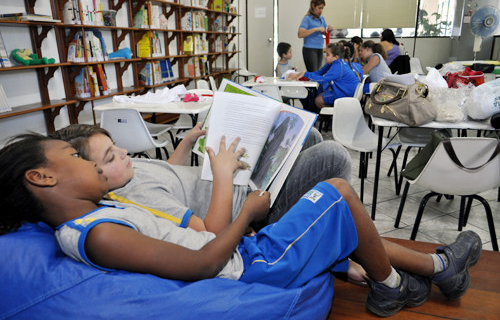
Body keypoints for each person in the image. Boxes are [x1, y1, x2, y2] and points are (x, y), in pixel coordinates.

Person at [0, 133, 482, 317]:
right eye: (76, 158)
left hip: (243, 254)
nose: (102, 168)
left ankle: (418, 274)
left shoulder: (100, 215)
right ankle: (398, 282)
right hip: (246, 266)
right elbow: (201, 262)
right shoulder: (97, 233)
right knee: (337, 190)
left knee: (334, 198)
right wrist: (248, 214)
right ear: (43, 177)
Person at [50, 123, 352, 233]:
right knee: (333, 156)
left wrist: (185, 142)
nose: (124, 151)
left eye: (115, 145)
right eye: (110, 155)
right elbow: (210, 232)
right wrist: (222, 173)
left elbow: (169, 173)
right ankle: (338, 236)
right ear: (91, 175)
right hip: (250, 211)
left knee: (308, 135)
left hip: (238, 183)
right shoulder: (138, 196)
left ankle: (328, 229)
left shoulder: (127, 171)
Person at [288, 42, 361, 109]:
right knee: (319, 95)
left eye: (328, 55)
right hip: (345, 91)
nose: (325, 56)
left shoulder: (338, 66)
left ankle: (333, 115)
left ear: (336, 57)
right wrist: (300, 74)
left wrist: (305, 74)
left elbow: (322, 80)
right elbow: (318, 73)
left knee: (318, 100)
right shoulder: (333, 63)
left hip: (347, 94)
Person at [298, 0, 333, 72]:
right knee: (313, 73)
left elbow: (324, 32)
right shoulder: (307, 19)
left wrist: (328, 29)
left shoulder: (322, 18)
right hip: (310, 49)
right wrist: (315, 29)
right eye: (319, 8)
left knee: (317, 73)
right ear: (313, 6)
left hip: (319, 48)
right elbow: (300, 34)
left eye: (322, 8)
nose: (321, 10)